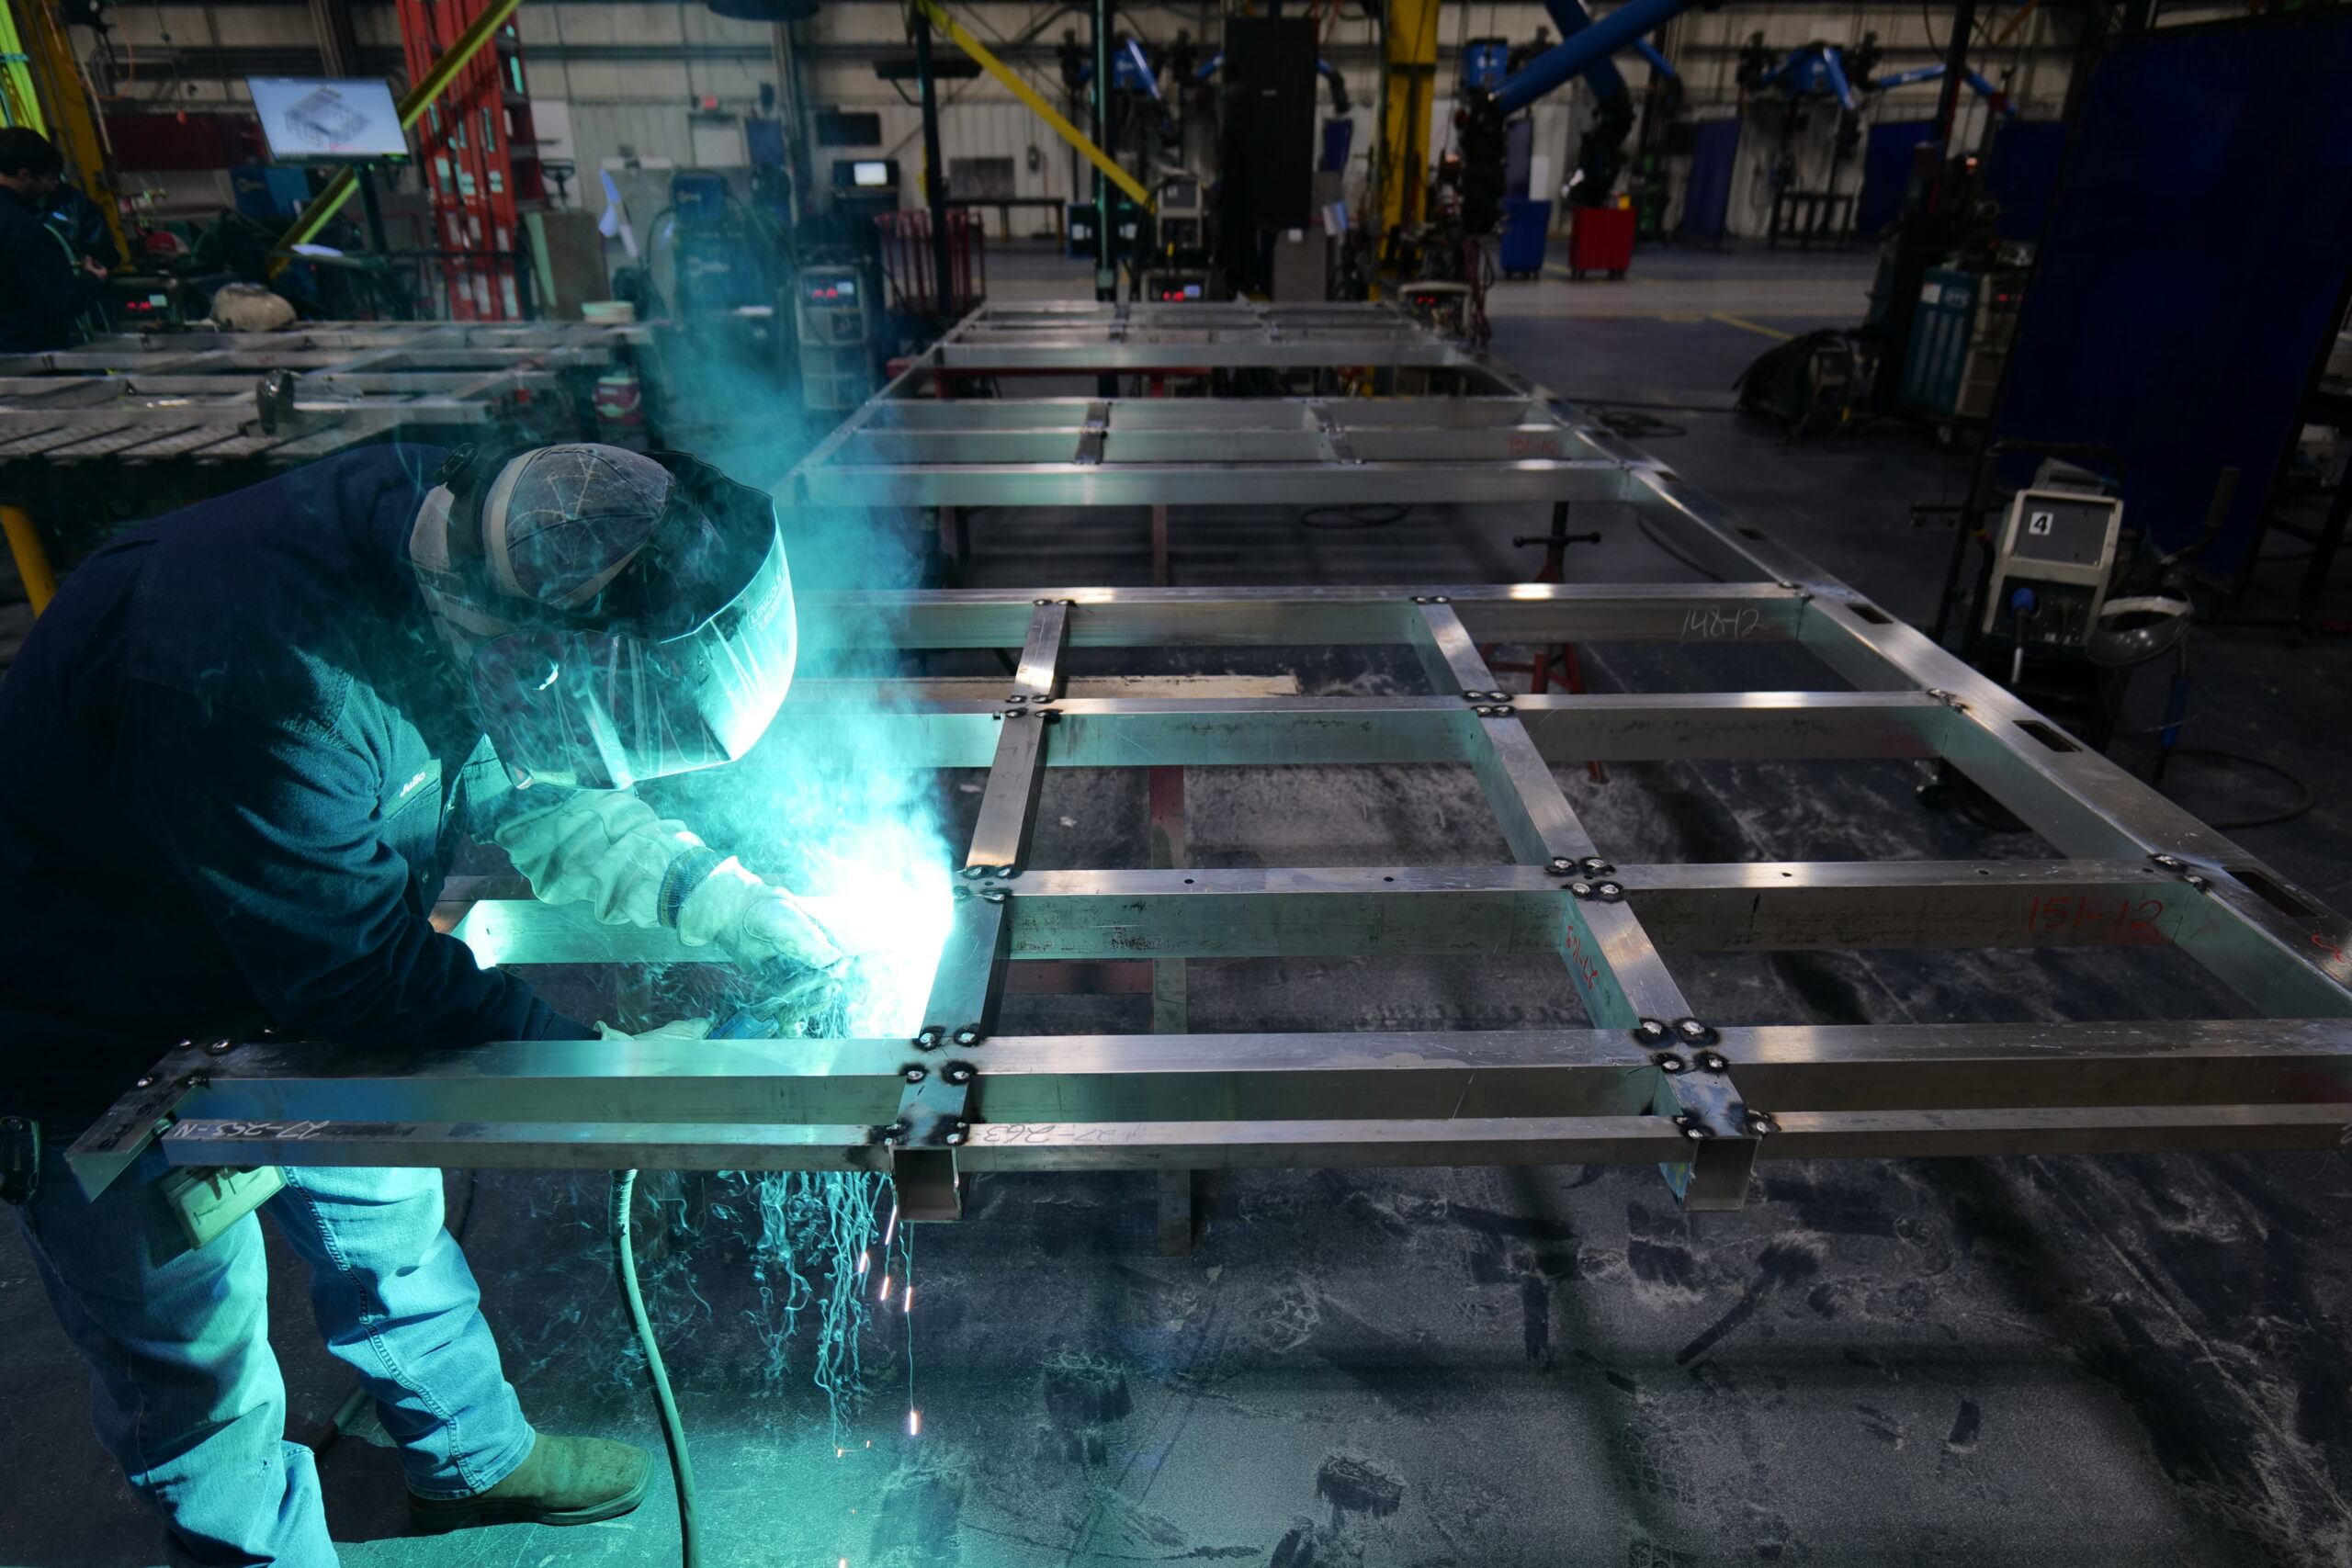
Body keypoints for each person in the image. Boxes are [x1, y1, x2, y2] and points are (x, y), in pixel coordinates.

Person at [0, 441, 846, 1566]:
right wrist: (607, 1066)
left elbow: (528, 783)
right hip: (92, 1021)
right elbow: (360, 978)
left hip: (280, 945)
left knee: (388, 1224)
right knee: (195, 1367)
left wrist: (722, 899)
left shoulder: (459, 551)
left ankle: (468, 1463)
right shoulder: (257, 673)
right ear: (539, 656)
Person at [0, 127, 99, 352]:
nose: (51, 188)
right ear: (25, 175)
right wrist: (90, 279)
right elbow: (61, 300)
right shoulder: (20, 227)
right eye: (50, 179)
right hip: (25, 355)